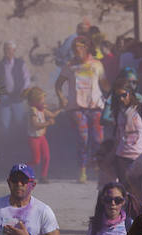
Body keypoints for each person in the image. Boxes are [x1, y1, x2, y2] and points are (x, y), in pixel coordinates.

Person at [55, 34, 108, 183]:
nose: (76, 50)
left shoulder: (97, 64)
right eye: (74, 47)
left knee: (98, 139)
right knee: (83, 139)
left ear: (86, 48)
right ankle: (83, 171)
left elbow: (104, 84)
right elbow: (58, 84)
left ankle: (98, 165)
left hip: (96, 106)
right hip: (76, 107)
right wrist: (61, 97)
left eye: (79, 46)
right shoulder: (70, 66)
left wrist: (116, 91)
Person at [111, 76, 142, 185]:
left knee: (141, 192)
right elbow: (118, 136)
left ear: (130, 93)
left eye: (124, 95)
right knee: (125, 191)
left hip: (140, 156)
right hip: (122, 157)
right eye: (118, 96)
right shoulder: (118, 111)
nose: (121, 99)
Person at [24, 87, 60, 184]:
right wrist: (48, 123)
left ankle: (43, 176)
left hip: (41, 137)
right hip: (34, 138)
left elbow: (52, 115)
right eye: (41, 100)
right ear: (35, 101)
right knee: (36, 160)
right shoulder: (33, 111)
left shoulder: (42, 109)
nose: (44, 102)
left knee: (46, 157)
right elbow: (35, 125)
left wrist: (61, 108)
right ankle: (23, 171)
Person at [0, 41, 31, 134]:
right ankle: (5, 144)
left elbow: (26, 78)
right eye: (5, 49)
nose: (7, 51)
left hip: (17, 96)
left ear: (14, 50)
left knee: (20, 122)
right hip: (4, 97)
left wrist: (23, 90)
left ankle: (18, 143)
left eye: (9, 49)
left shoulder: (20, 63)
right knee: (4, 124)